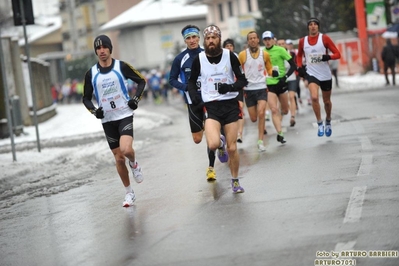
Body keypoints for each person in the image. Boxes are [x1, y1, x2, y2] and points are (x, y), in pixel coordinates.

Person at [82, 35, 146, 207]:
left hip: (124, 114)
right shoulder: (91, 73)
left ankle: (134, 163)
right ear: (96, 51)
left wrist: (135, 99)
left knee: (126, 150)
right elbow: (86, 98)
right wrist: (95, 111)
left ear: (110, 49)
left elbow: (141, 81)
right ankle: (129, 193)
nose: (102, 50)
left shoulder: (121, 66)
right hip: (107, 120)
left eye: (104, 47)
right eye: (98, 48)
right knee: (118, 158)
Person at [188, 25, 248, 193]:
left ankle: (235, 181)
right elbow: (191, 82)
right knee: (213, 143)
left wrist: (230, 87)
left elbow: (243, 81)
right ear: (205, 41)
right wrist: (195, 97)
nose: (211, 41)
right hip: (211, 106)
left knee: (233, 148)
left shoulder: (230, 56)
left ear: (219, 39)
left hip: (229, 105)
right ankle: (220, 143)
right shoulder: (199, 59)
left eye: (214, 37)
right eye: (208, 38)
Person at [169, 25, 225, 182]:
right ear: (185, 40)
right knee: (197, 139)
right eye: (188, 38)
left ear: (199, 38)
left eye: (194, 37)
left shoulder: (207, 53)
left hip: (209, 99)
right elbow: (172, 79)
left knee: (210, 134)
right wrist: (187, 87)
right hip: (192, 101)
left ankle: (211, 168)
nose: (192, 40)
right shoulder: (180, 59)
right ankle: (221, 141)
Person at [296, 18, 341, 137]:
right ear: (308, 27)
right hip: (312, 74)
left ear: (318, 27)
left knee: (326, 102)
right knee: (314, 98)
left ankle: (328, 120)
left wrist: (328, 57)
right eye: (310, 24)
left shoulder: (324, 38)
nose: (313, 26)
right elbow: (299, 55)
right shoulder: (302, 41)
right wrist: (300, 67)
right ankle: (320, 123)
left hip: (325, 74)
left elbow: (338, 54)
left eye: (315, 24)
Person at [238, 31, 276, 151]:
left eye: (255, 38)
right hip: (249, 90)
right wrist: (240, 80)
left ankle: (260, 141)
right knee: (254, 118)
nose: (253, 40)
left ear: (258, 40)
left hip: (261, 87)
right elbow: (238, 70)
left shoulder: (264, 54)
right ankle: (259, 138)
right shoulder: (242, 55)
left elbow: (269, 68)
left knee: (261, 113)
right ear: (248, 41)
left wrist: (272, 72)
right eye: (250, 38)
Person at [263, 32, 296, 143]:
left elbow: (293, 65)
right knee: (274, 109)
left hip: (281, 83)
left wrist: (285, 76)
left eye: (269, 39)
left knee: (285, 110)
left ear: (273, 39)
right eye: (265, 39)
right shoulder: (262, 53)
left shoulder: (280, 50)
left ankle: (283, 117)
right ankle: (280, 133)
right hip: (269, 83)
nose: (267, 41)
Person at [223, 38, 245, 143]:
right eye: (227, 46)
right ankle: (229, 134)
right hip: (226, 89)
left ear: (233, 47)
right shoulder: (221, 58)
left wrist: (242, 82)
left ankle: (239, 134)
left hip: (237, 87)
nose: (229, 48)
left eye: (231, 46)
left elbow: (242, 71)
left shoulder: (237, 57)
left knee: (240, 108)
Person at [277, 38, 298, 127]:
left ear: (286, 44)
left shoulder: (291, 54)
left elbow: (295, 65)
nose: (281, 45)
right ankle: (280, 118)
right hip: (281, 80)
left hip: (291, 78)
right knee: (282, 102)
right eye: (279, 44)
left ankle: (292, 117)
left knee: (292, 97)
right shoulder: (276, 54)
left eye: (283, 44)